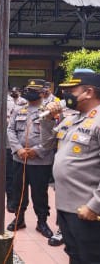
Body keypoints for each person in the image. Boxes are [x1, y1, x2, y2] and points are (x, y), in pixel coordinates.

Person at [41, 72, 100, 263]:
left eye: (71, 90)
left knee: (89, 257)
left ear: (89, 92)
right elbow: (47, 144)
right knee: (74, 254)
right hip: (66, 206)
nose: (65, 95)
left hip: (86, 209)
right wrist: (48, 119)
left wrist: (95, 206)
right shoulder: (71, 119)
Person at [7, 79, 54, 238]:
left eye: (33, 90)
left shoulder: (49, 111)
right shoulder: (19, 110)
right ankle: (19, 219)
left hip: (40, 161)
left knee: (39, 193)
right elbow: (10, 131)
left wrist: (36, 150)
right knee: (18, 190)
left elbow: (53, 136)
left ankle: (42, 222)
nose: (28, 92)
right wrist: (19, 149)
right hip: (20, 159)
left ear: (42, 92)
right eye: (27, 89)